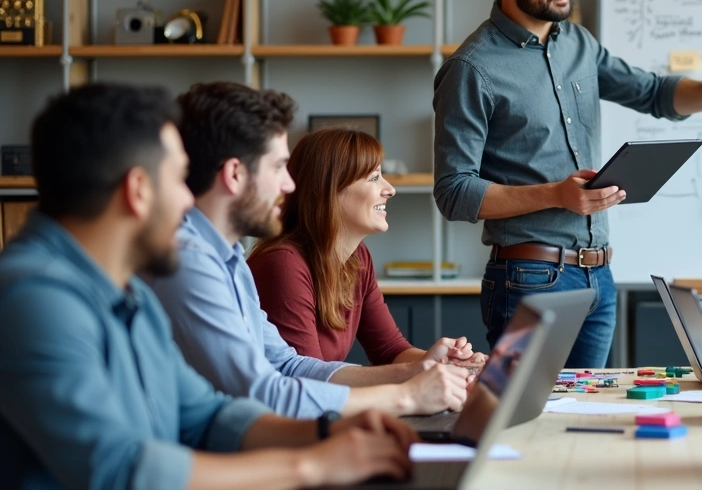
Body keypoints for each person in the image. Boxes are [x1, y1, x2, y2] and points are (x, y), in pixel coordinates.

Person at [0, 83, 417, 489]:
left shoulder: (130, 293)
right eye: (180, 179)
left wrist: (328, 431)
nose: (189, 202)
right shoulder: (34, 298)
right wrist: (311, 465)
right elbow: (118, 469)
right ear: (138, 190)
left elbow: (205, 414)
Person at [433, 0, 702, 368]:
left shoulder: (577, 42)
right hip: (529, 278)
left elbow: (655, 93)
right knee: (529, 426)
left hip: (600, 277)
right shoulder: (471, 69)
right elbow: (455, 193)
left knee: (585, 422)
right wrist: (556, 195)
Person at [150, 81, 469, 421]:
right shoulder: (192, 261)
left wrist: (417, 372)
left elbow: (289, 365)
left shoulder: (230, 260)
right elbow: (262, 392)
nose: (288, 185)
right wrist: (405, 397)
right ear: (234, 174)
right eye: (277, 168)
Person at [247, 127, 487, 369]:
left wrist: (446, 363)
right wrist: (418, 375)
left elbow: (390, 349)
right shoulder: (283, 264)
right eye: (374, 178)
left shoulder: (357, 258)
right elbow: (310, 379)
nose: (390, 190)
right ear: (331, 190)